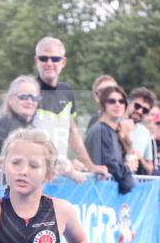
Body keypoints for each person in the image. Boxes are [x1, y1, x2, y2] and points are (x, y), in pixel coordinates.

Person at [32, 36, 106, 176]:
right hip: (36, 172)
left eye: (55, 59)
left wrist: (90, 165)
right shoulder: (28, 92)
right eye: (43, 58)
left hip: (59, 173)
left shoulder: (67, 91)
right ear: (36, 61)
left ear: (63, 62)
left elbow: (72, 132)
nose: (49, 63)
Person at [83, 84, 137, 194]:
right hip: (96, 195)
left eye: (121, 101)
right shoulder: (101, 131)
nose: (117, 104)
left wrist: (128, 143)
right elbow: (110, 167)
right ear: (103, 105)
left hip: (106, 198)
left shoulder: (113, 132)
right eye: (112, 101)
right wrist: (128, 168)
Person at [0, 76, 40, 170]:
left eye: (34, 98)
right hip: (6, 182)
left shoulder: (30, 126)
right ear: (11, 100)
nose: (30, 101)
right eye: (24, 97)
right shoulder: (5, 123)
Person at [127, 87, 155, 174]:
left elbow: (150, 169)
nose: (140, 111)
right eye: (137, 106)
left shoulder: (145, 133)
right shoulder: (114, 125)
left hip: (134, 184)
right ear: (128, 103)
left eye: (145, 110)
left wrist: (141, 159)